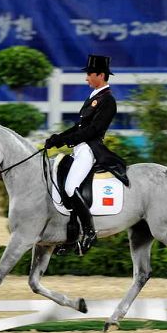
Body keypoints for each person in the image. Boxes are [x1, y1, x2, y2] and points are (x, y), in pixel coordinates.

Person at [45, 54, 128, 254]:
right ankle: (71, 237)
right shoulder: (94, 98)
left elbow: (93, 131)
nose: (86, 78)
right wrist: (58, 137)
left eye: (89, 74)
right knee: (62, 180)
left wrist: (66, 140)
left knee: (71, 187)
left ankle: (89, 231)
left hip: (90, 149)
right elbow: (79, 126)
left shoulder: (108, 100)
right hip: (79, 148)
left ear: (100, 74)